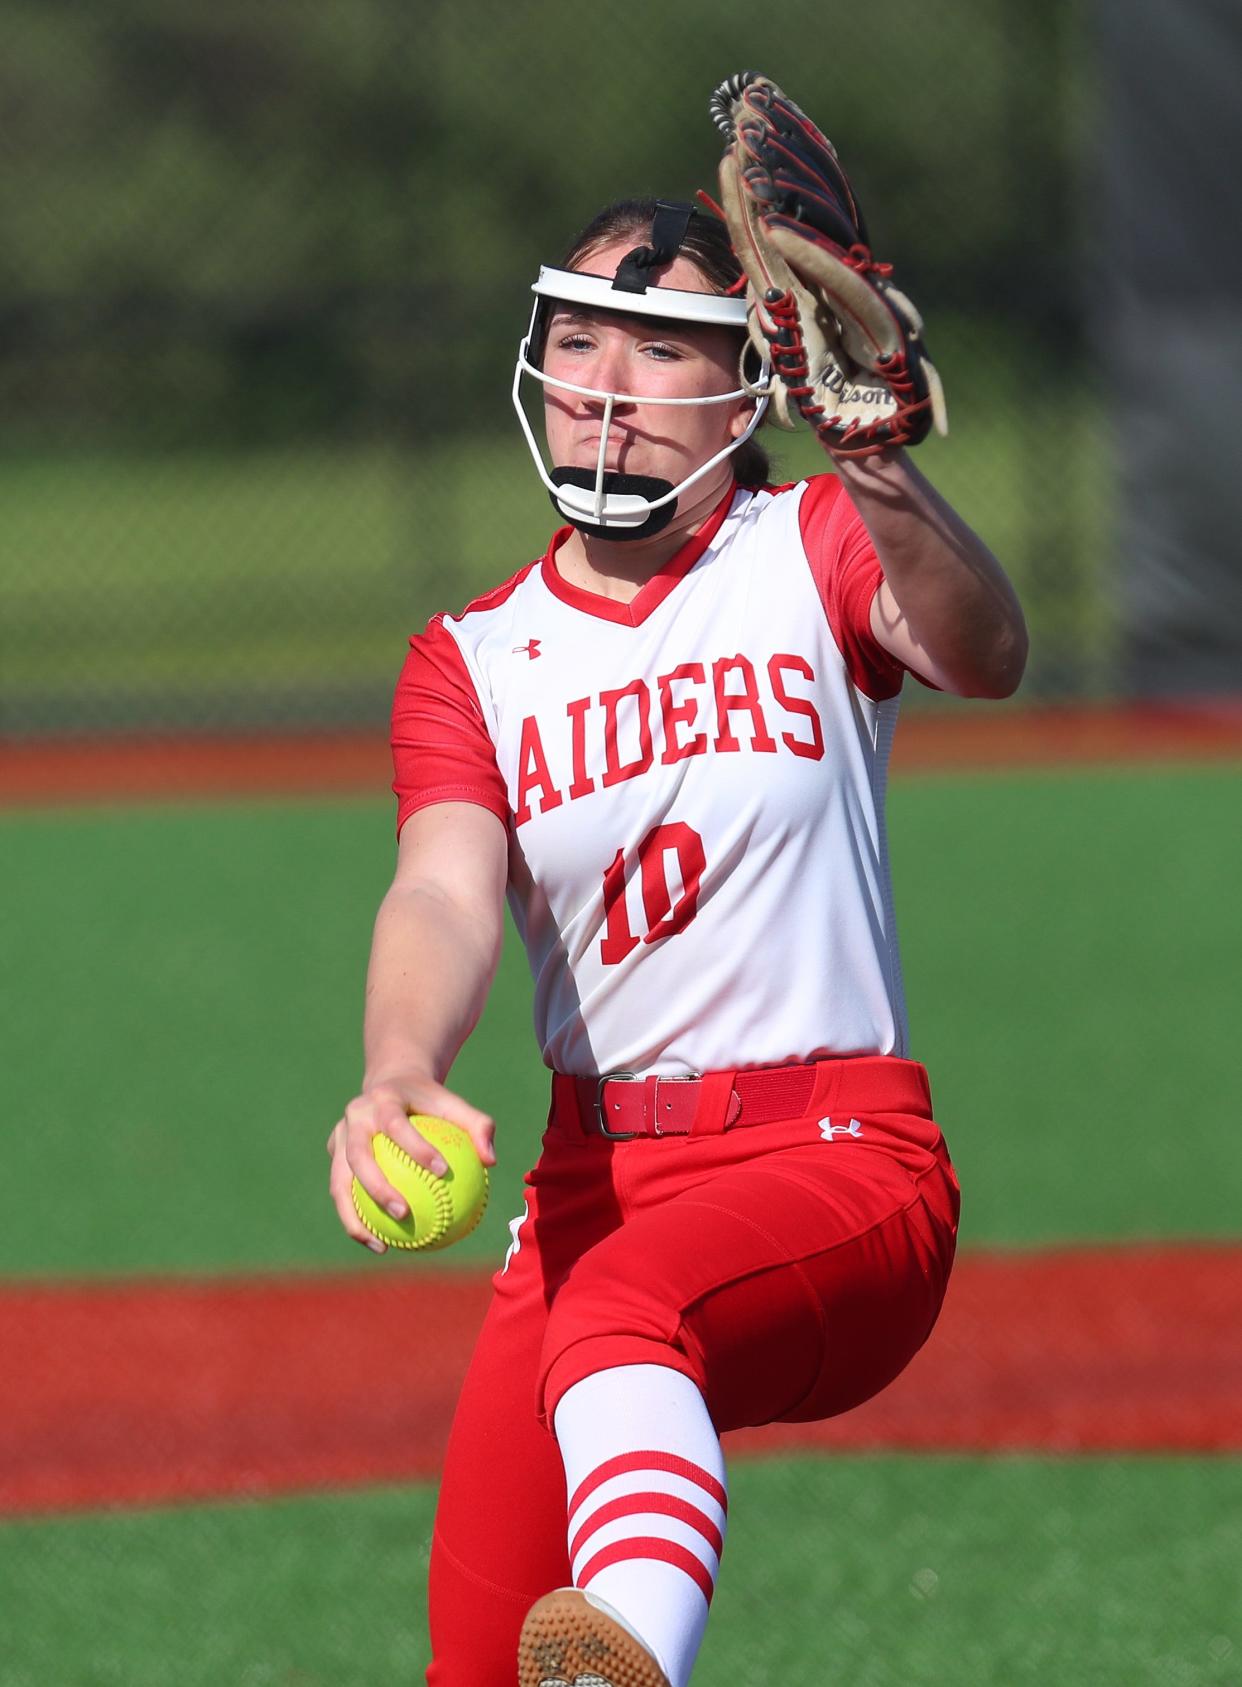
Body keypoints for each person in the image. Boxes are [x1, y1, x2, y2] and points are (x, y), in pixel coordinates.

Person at [326, 196, 1027, 1687]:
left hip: (836, 1161)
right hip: (590, 1191)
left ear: (744, 385)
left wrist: (880, 467)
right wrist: (396, 1063)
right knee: (471, 1654)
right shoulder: (474, 655)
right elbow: (443, 891)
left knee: (634, 1318)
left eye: (662, 347)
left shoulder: (811, 543)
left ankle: (630, 1660)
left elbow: (982, 652)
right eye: (580, 339)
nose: (607, 382)